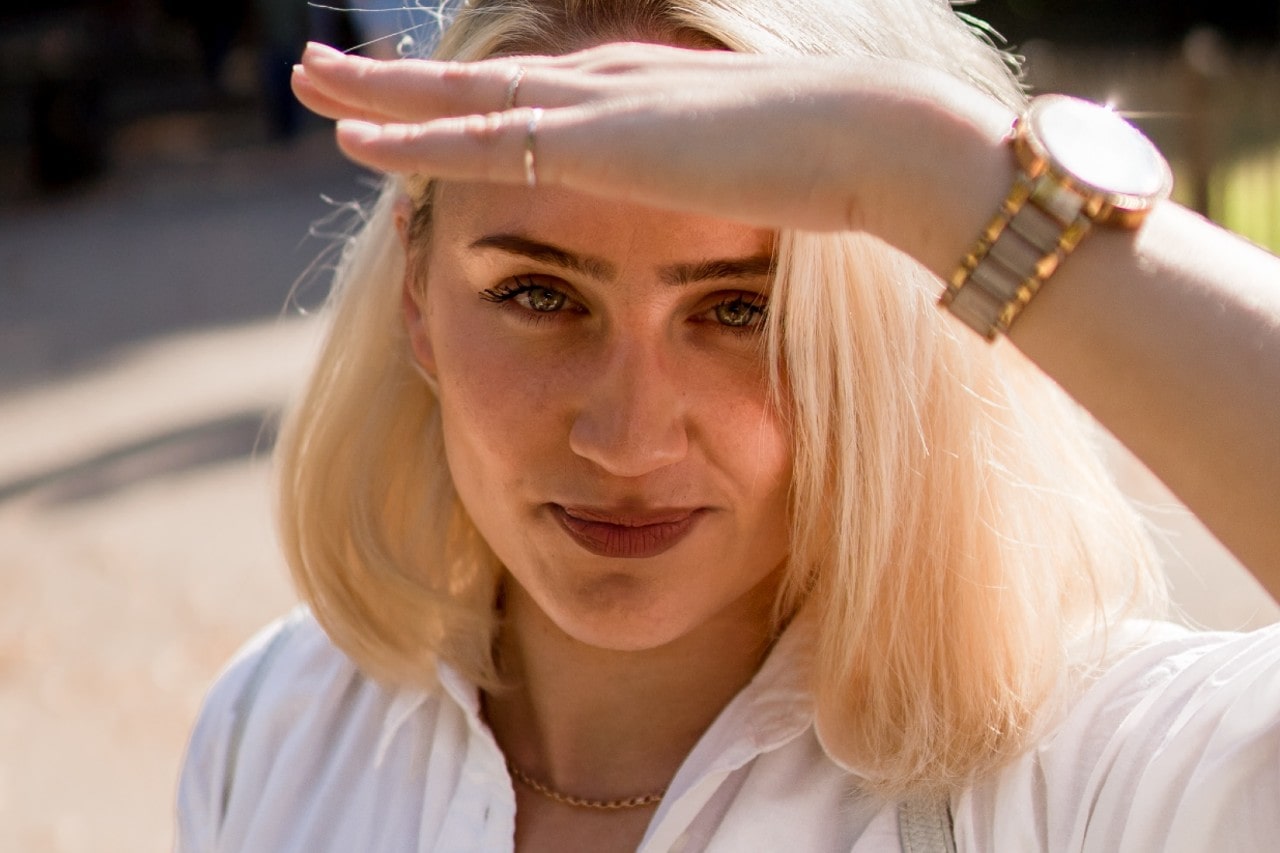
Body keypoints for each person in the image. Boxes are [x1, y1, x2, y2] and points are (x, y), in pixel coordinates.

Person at [175, 0, 1280, 850]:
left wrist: (921, 162)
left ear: (878, 334)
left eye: (739, 308)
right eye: (538, 294)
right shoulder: (283, 724)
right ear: (417, 295)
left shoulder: (1080, 776)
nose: (627, 438)